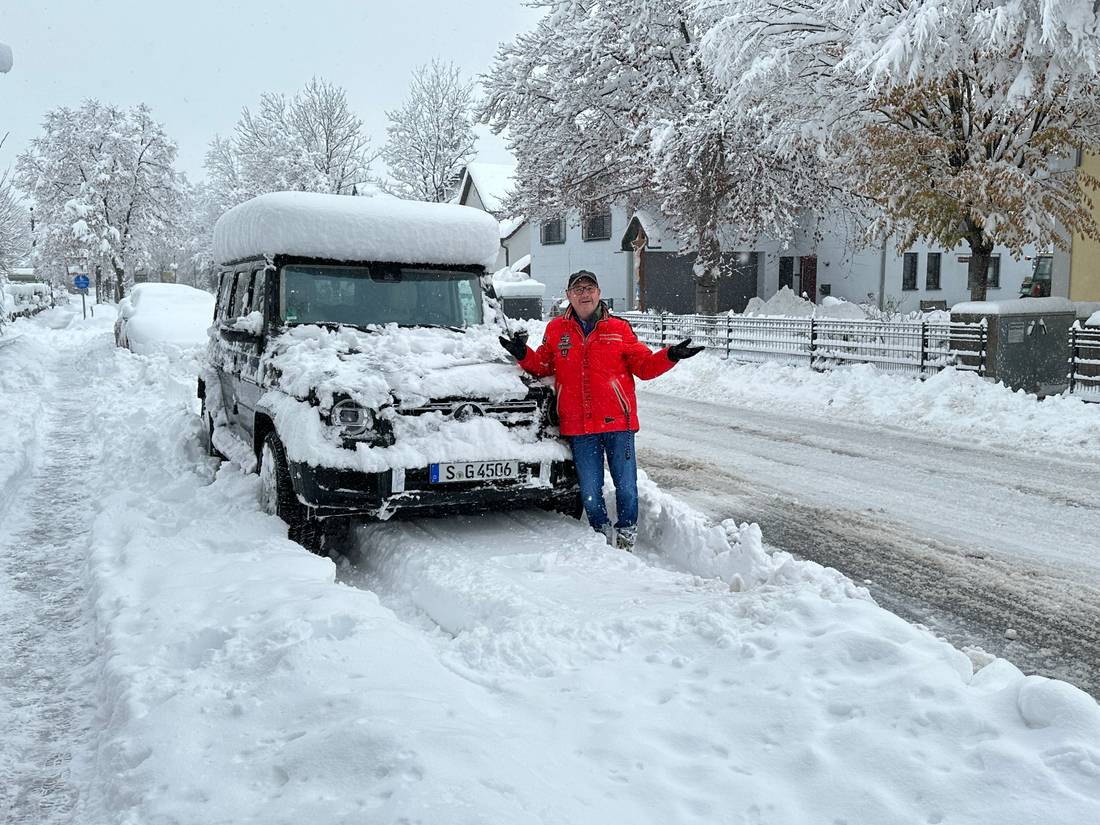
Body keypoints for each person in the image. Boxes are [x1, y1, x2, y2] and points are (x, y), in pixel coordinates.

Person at [499, 270, 702, 551]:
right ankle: (600, 531)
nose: (584, 293)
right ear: (568, 295)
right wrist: (522, 354)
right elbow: (544, 366)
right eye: (578, 289)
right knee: (591, 492)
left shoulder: (619, 328)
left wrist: (669, 356)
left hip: (618, 422)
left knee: (627, 487)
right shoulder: (557, 330)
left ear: (599, 292)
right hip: (579, 426)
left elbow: (643, 366)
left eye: (590, 287)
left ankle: (627, 531)